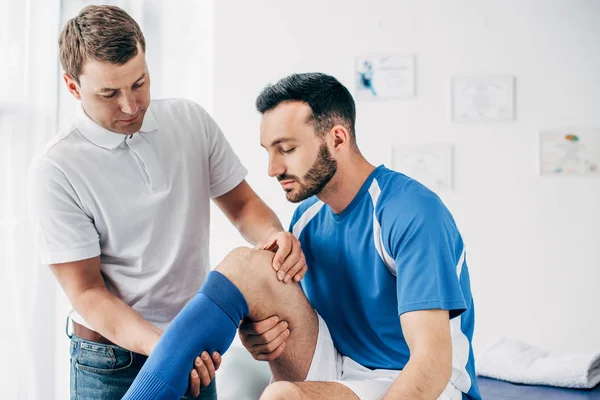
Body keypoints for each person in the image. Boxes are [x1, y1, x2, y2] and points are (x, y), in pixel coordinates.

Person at [121, 72, 482, 400]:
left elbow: (432, 363)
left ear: (337, 138)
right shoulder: (305, 219)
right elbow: (295, 318)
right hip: (341, 369)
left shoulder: (410, 211)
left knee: (281, 397)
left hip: (419, 383)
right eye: (269, 152)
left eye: (287, 149)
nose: (273, 169)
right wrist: (257, 333)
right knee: (248, 265)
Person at [26, 5, 306, 400]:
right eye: (109, 93)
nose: (131, 105)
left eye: (139, 83)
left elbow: (243, 206)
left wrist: (275, 236)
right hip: (110, 358)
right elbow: (88, 293)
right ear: (73, 87)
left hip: (194, 345)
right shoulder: (56, 169)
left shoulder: (189, 121)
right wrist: (167, 351)